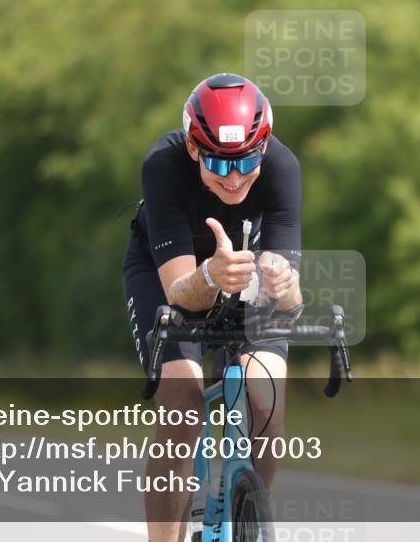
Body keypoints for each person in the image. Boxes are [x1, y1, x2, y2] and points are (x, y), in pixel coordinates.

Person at [123, 72, 303, 542]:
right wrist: (211, 275)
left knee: (267, 398)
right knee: (182, 411)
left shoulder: (283, 167)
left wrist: (284, 284)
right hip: (170, 272)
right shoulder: (163, 165)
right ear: (193, 150)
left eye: (247, 161)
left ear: (264, 148)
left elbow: (292, 294)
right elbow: (179, 290)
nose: (236, 178)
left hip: (246, 273)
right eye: (220, 166)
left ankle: (249, 520)